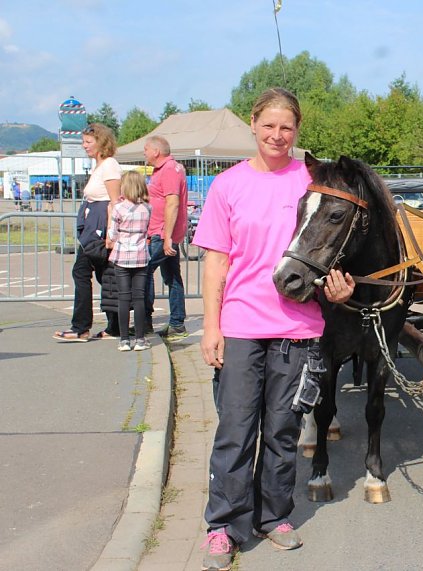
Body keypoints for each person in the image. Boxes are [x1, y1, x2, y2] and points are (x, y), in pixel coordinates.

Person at [193, 87, 355, 570]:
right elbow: (215, 262)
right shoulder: (228, 186)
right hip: (241, 325)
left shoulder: (312, 182)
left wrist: (337, 292)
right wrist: (210, 326)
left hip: (297, 328)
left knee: (283, 431)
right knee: (236, 430)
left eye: (287, 127)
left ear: (297, 129)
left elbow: (331, 251)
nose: (277, 136)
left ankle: (274, 516)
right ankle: (223, 525)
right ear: (254, 124)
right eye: (269, 126)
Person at [53, 123, 121, 342]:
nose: (84, 146)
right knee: (104, 275)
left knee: (82, 272)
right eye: (84, 142)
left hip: (99, 227)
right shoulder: (99, 166)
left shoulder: (109, 165)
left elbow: (114, 201)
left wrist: (111, 234)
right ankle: (114, 326)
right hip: (93, 224)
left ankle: (82, 327)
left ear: (101, 143)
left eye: (88, 142)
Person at [143, 135, 188, 340]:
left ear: (156, 151)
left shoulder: (169, 169)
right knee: (171, 276)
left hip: (163, 232)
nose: (144, 153)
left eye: (146, 150)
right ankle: (177, 323)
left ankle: (145, 321)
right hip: (164, 232)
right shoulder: (167, 169)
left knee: (144, 271)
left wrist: (167, 236)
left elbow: (173, 203)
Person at [108, 171, 152, 351]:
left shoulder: (118, 208)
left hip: (122, 255)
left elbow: (112, 234)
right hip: (141, 255)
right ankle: (140, 339)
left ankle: (124, 340)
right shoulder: (148, 208)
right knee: (139, 297)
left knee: (124, 298)